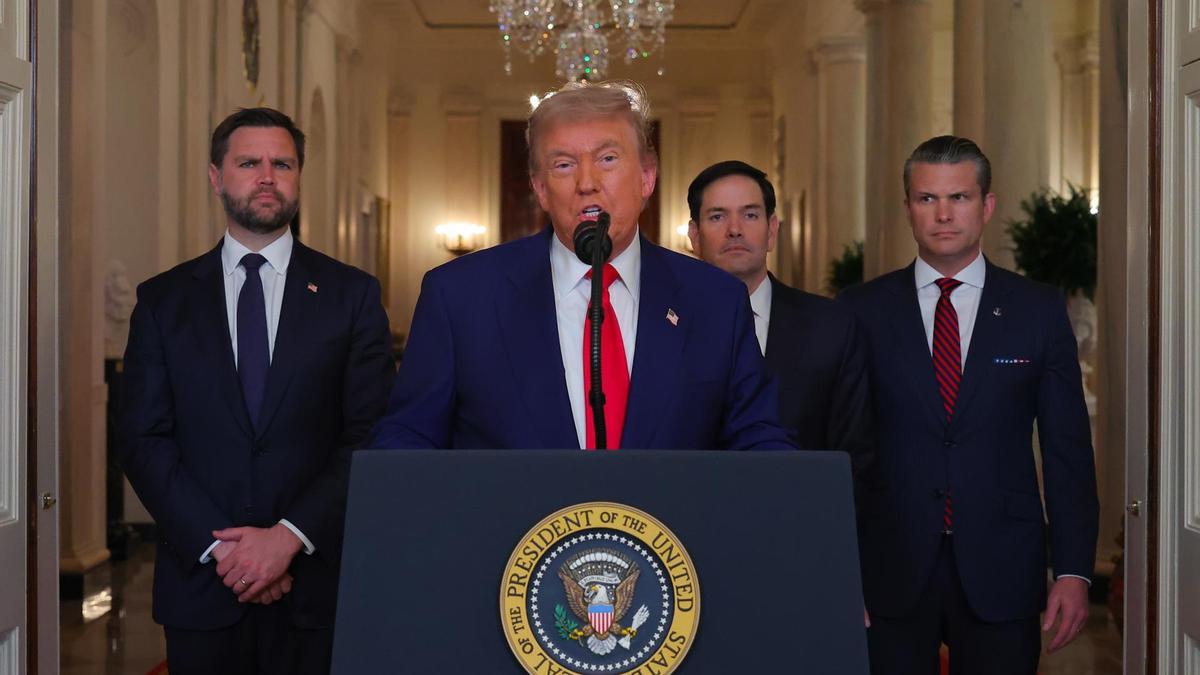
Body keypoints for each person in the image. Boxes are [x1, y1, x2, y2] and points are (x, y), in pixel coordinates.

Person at [119, 107, 395, 674]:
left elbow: (371, 435)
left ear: (297, 176)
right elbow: (143, 439)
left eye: (282, 163)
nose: (267, 176)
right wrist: (228, 551)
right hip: (202, 586)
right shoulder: (163, 301)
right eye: (249, 162)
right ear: (217, 177)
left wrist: (287, 540)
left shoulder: (351, 295)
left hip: (316, 589)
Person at [371, 81, 792, 451]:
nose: (586, 182)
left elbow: (757, 439)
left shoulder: (714, 300)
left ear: (647, 177)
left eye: (608, 159)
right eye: (564, 164)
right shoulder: (460, 297)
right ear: (540, 188)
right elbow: (408, 438)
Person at [839, 135, 1099, 674]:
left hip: (1003, 562)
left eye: (958, 198)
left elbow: (1067, 449)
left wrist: (1074, 570)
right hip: (889, 566)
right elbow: (843, 448)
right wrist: (837, 567)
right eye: (927, 199)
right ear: (908, 207)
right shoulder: (861, 311)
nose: (943, 215)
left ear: (987, 206)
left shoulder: (1037, 309)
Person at [686, 160, 872, 479]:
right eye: (717, 216)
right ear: (694, 235)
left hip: (803, 519)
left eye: (750, 214)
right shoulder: (666, 327)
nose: (735, 229)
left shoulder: (831, 327)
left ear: (772, 231)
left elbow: (856, 457)